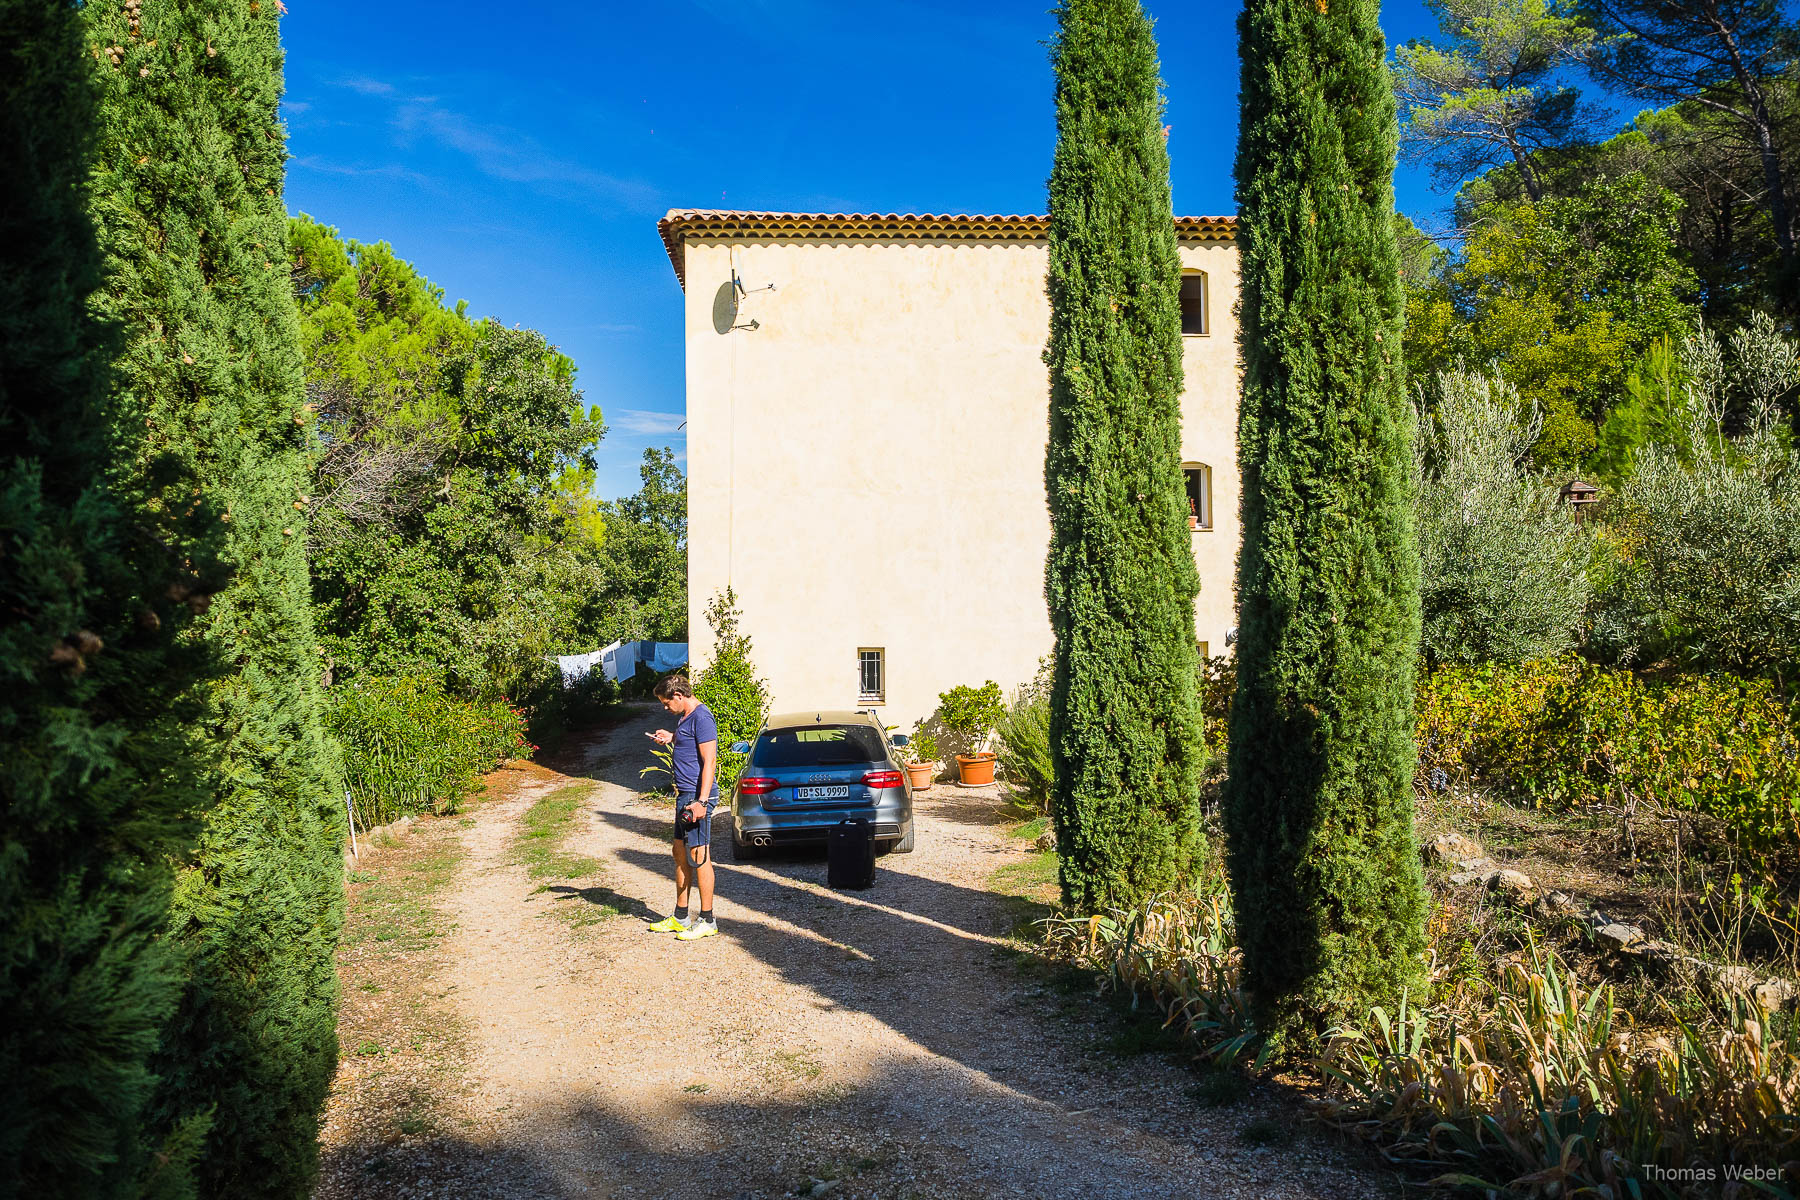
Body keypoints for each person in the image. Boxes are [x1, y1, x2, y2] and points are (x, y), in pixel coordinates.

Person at [644, 674, 720, 940]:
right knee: (679, 851)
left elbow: (709, 762)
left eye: (666, 703)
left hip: (697, 798)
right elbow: (688, 741)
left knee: (700, 857)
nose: (666, 708)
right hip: (684, 796)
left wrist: (702, 801)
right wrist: (672, 737)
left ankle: (708, 920)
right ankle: (681, 916)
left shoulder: (702, 717)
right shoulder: (686, 718)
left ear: (678, 696)